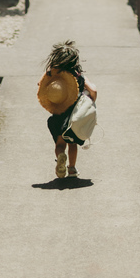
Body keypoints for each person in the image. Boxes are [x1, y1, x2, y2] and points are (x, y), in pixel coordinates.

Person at [37, 40, 97, 179]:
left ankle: (60, 158)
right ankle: (71, 169)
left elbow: (40, 84)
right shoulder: (79, 76)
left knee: (59, 144)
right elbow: (93, 90)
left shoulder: (52, 75)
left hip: (57, 117)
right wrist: (91, 102)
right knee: (72, 144)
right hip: (73, 119)